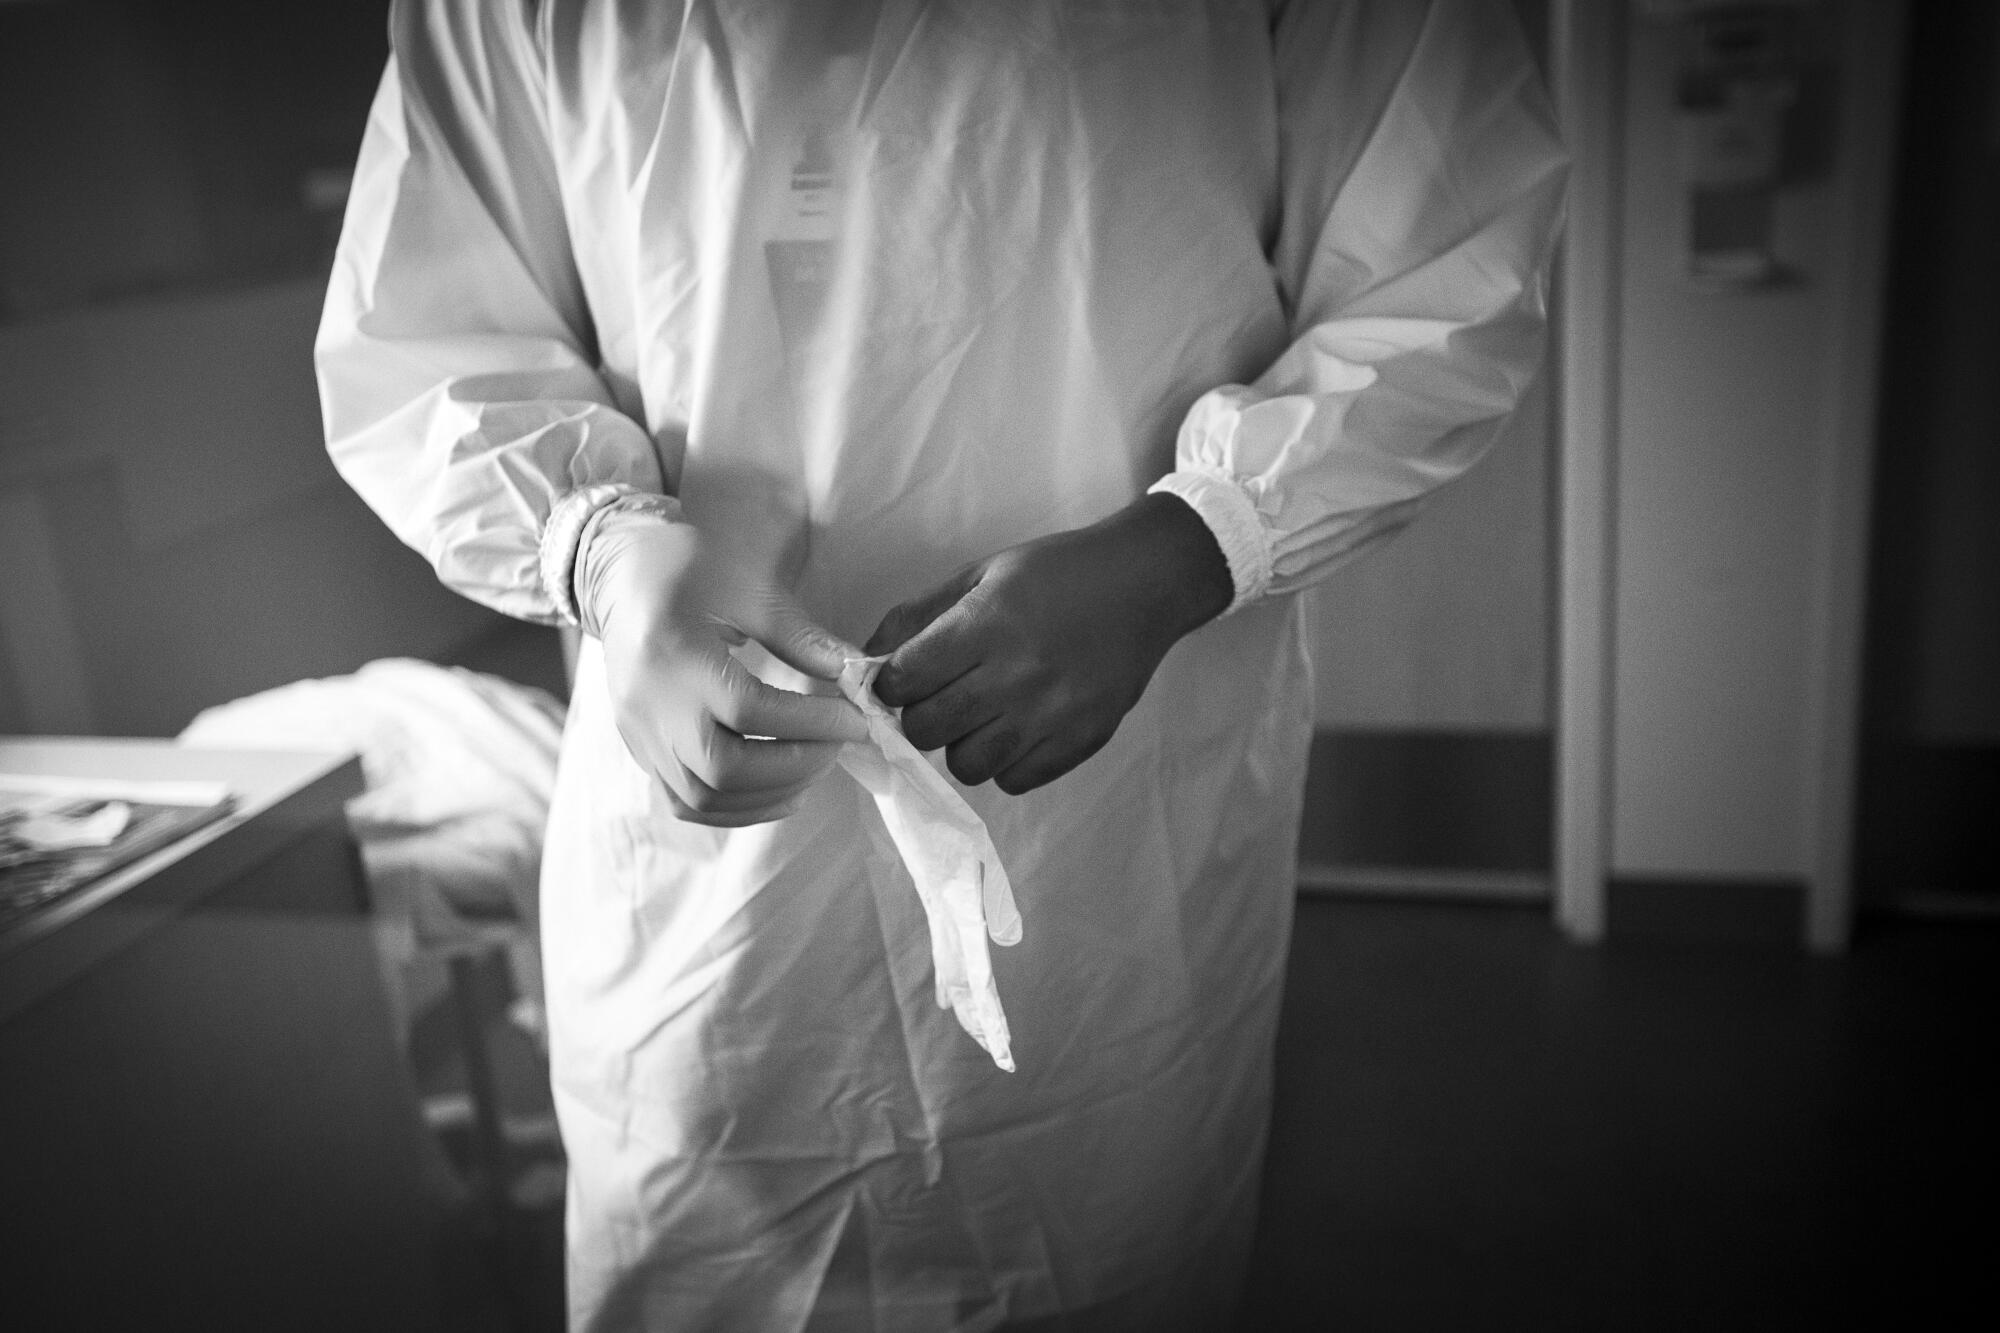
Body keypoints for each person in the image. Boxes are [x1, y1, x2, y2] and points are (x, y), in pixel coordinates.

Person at [317, 1, 1567, 1327]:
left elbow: (1446, 258)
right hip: (704, 886)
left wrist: (1188, 545)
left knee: (1104, 1247)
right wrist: (603, 549)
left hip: (1117, 830)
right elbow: (429, 331)